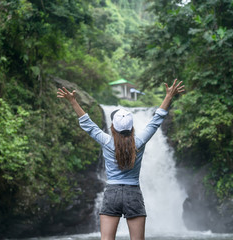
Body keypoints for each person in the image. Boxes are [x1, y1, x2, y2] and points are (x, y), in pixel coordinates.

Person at [57, 79, 185, 240]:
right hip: (133, 193)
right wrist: (168, 96)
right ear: (131, 128)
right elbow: (156, 120)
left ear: (113, 128)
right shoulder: (139, 141)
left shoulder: (106, 141)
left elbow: (88, 124)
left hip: (112, 193)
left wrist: (73, 101)